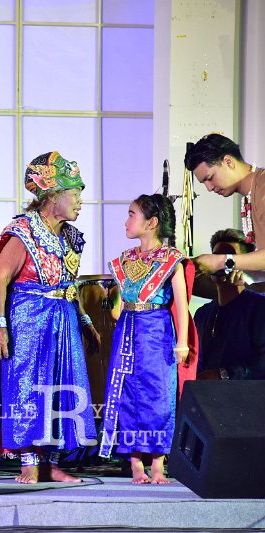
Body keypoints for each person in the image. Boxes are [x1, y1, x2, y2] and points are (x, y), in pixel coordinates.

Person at [0, 151, 99, 484]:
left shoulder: (70, 237)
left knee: (62, 386)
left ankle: (52, 463)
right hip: (30, 318)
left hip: (63, 319)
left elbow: (70, 283)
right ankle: (29, 461)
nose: (80, 201)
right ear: (52, 196)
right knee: (28, 386)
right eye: (74, 193)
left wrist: (85, 321)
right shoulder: (25, 230)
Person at [99, 194, 196, 484]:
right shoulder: (125, 259)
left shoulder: (172, 260)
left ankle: (157, 462)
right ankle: (135, 463)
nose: (127, 221)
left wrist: (182, 342)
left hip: (156, 330)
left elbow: (181, 304)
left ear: (151, 222)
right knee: (126, 392)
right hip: (127, 329)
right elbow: (119, 304)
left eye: (132, 214)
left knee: (158, 393)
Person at [186, 134, 265, 277]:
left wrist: (221, 261)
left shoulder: (262, 187)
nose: (209, 188)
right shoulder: (252, 192)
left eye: (210, 178)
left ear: (228, 162)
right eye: (204, 183)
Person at [194, 229, 265, 380]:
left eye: (227, 257)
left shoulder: (259, 308)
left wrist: (224, 374)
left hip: (246, 393)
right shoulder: (202, 313)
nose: (219, 264)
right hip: (205, 393)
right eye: (216, 257)